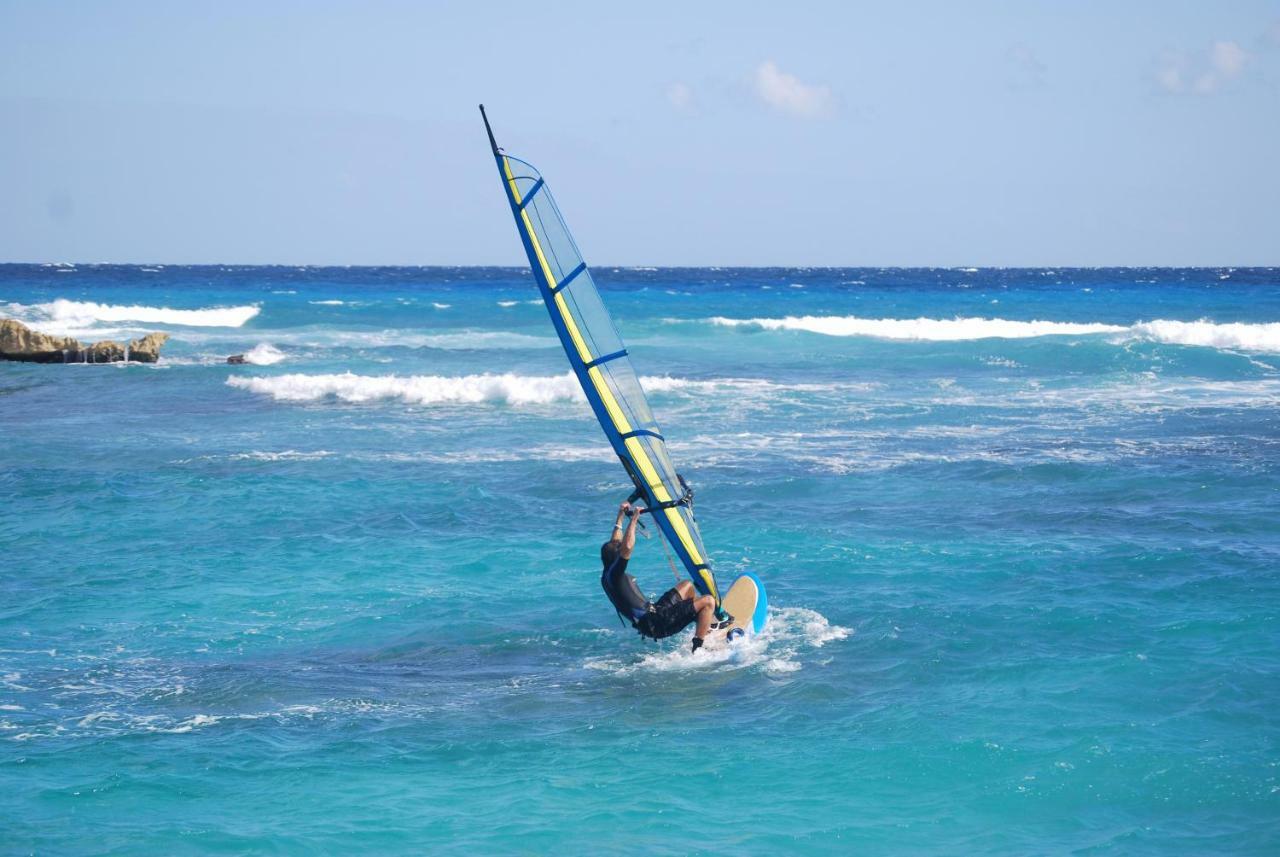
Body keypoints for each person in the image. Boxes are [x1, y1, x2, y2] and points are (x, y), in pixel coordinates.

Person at [600, 501, 721, 652]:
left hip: (655, 613)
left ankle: (703, 624)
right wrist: (634, 519)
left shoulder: (609, 572)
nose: (621, 543)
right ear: (616, 557)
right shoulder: (615, 575)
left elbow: (615, 543)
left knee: (687, 586)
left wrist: (620, 516)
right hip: (655, 623)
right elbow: (627, 547)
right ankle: (698, 648)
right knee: (709, 601)